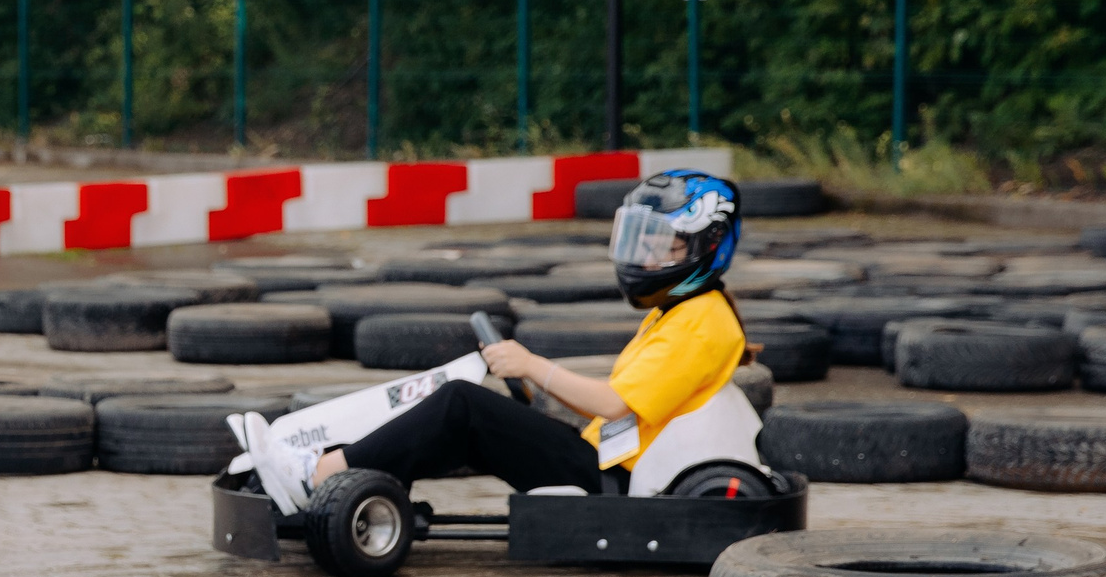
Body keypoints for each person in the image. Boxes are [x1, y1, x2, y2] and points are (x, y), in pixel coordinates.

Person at [248, 171, 747, 505]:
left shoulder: (702, 321)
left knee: (461, 404)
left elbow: (614, 405)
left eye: (665, 247)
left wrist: (532, 366)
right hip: (606, 457)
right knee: (459, 422)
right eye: (645, 243)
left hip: (612, 477)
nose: (648, 259)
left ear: (708, 246)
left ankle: (318, 475)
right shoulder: (680, 312)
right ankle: (352, 479)